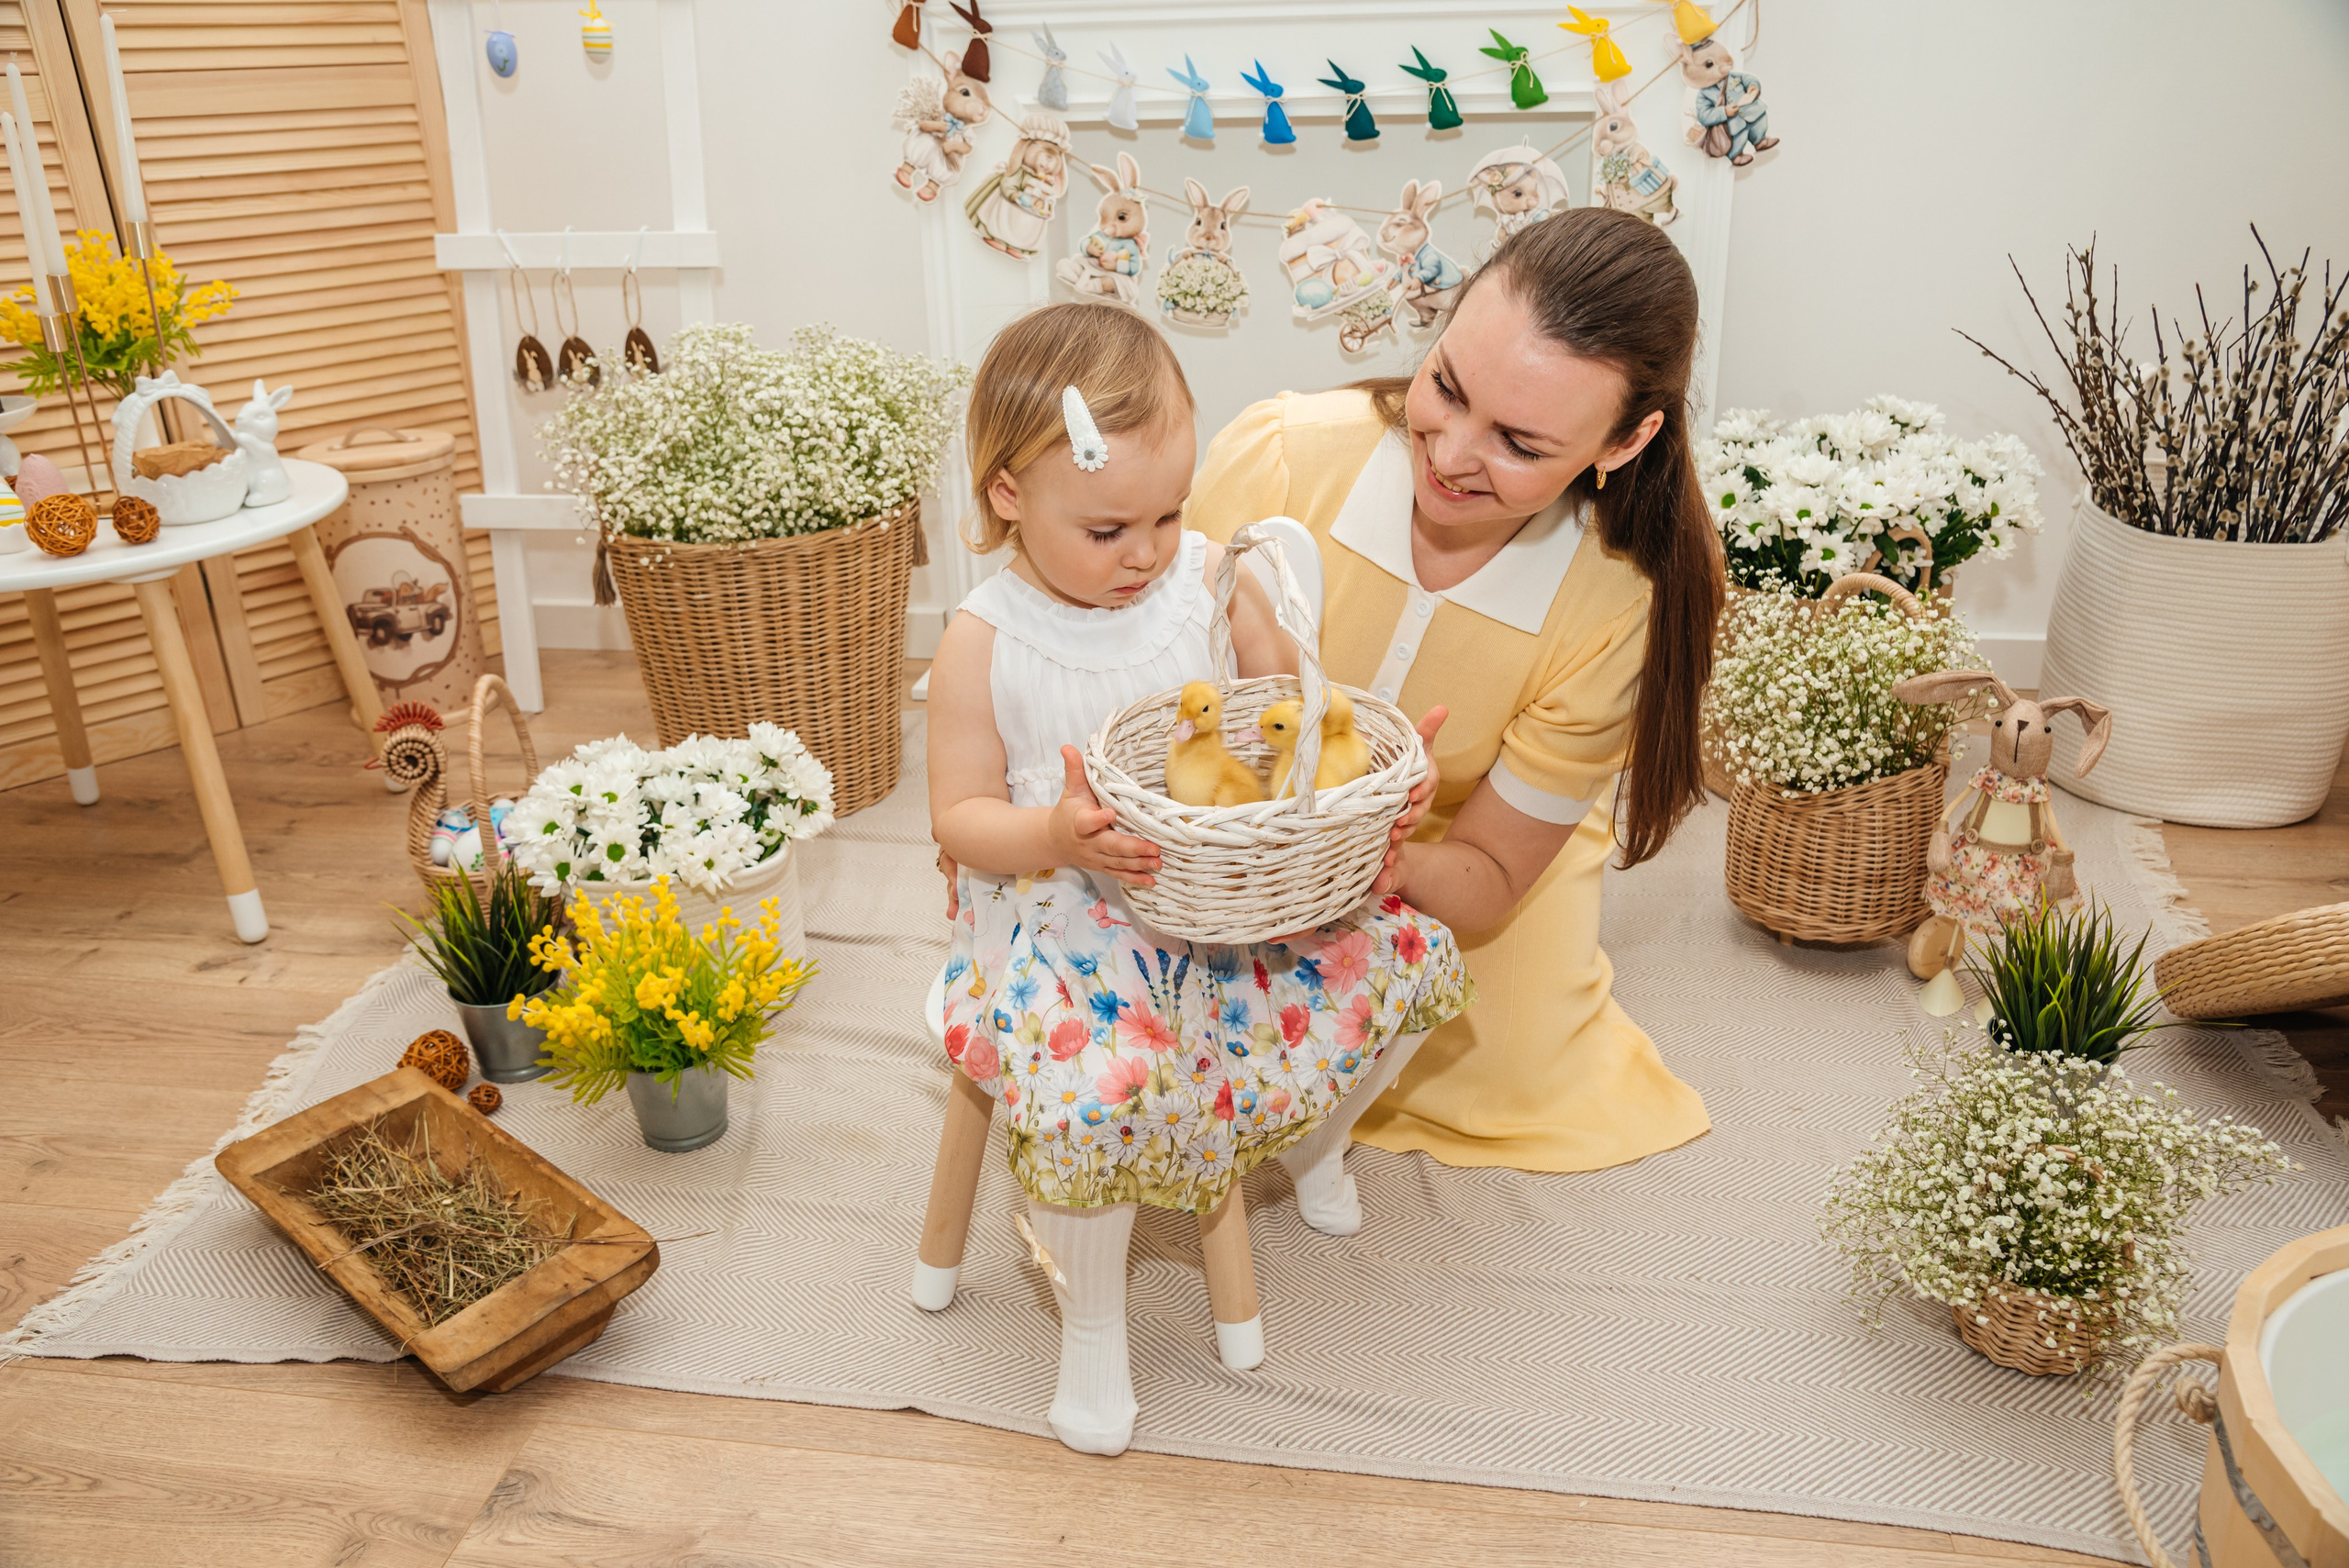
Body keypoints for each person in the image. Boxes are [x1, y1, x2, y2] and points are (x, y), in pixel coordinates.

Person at [925, 301, 1471, 1456]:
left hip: (1226, 896)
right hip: (1061, 917)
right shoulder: (984, 638)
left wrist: (1358, 762)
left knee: (1412, 951)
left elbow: (1283, 704)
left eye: (1170, 513)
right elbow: (959, 817)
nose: (1148, 552)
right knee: (1098, 1079)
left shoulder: (1206, 579)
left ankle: (1314, 1139)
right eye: (1110, 526)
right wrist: (1057, 835)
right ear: (1008, 496)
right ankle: (1091, 1325)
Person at [1186, 207, 1721, 1174]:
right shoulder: (1281, 455)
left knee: (1495, 1072)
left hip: (1456, 858)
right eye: (1444, 385)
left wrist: (1377, 859)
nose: (1449, 453)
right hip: (1235, 810)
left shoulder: (1612, 606)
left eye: (1518, 442)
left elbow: (1487, 880)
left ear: (1626, 440)